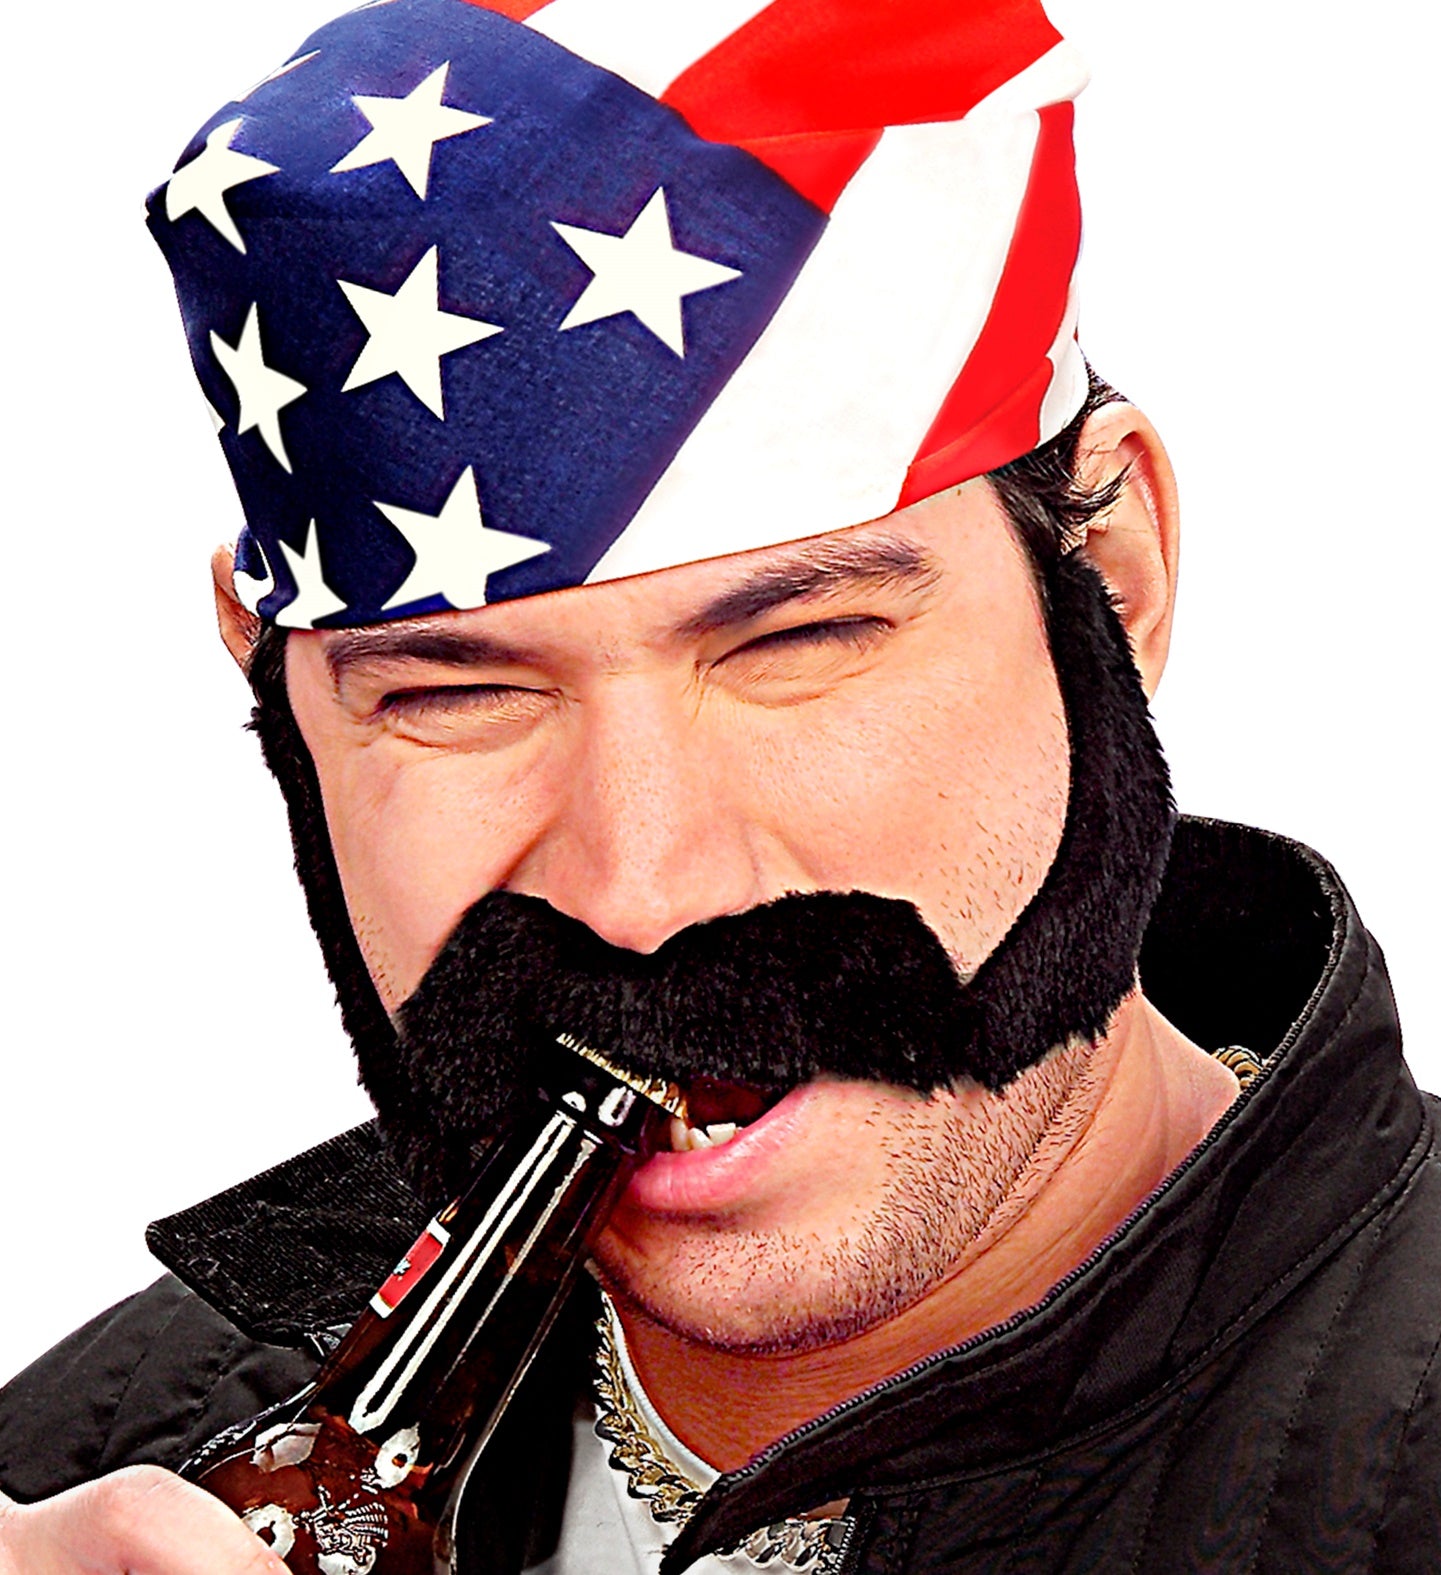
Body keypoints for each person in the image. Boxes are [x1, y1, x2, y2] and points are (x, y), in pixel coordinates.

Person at [1, 1, 1436, 1572]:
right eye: (458, 695)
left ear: (1112, 571)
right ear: (274, 690)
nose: (641, 890)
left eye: (795, 646)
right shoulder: (103, 1457)